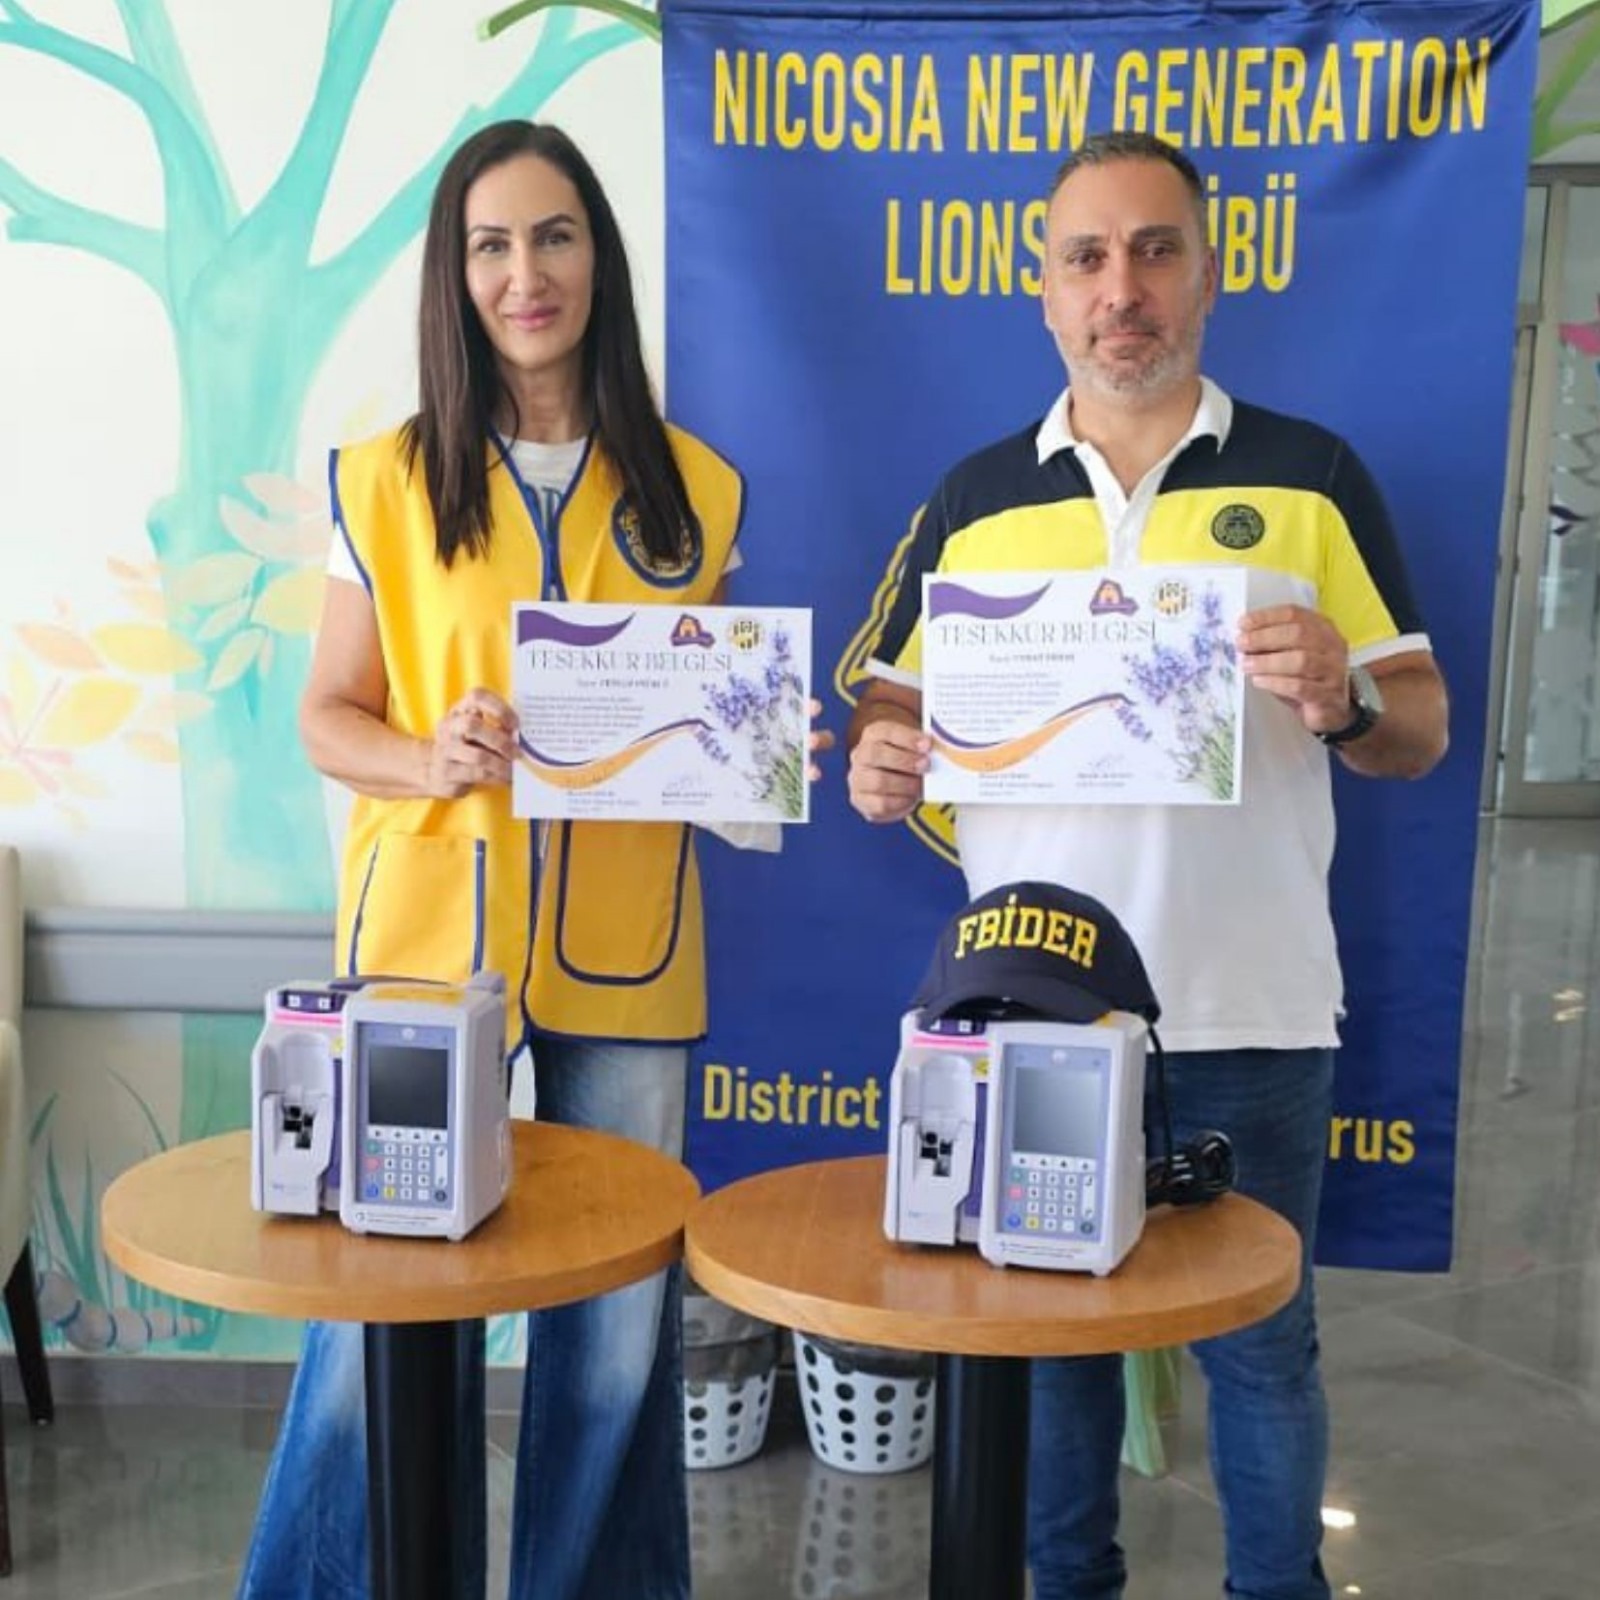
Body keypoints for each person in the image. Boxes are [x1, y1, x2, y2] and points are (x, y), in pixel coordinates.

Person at [846, 130, 1449, 1600]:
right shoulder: (976, 497)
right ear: (1046, 290)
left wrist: (1345, 699)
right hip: (1031, 1015)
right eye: (1088, 258)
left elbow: (1420, 729)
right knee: (1052, 1351)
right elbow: (892, 704)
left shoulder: (1312, 477)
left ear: (1209, 272)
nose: (1122, 288)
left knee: (1264, 1350)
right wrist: (880, 758)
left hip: (1249, 1008)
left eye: (1155, 250)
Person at [239, 120, 825, 1600]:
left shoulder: (695, 490)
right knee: (377, 1318)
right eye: (490, 245)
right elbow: (326, 717)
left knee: (617, 1337)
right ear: (456, 276)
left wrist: (762, 744)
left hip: (630, 950)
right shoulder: (384, 482)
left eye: (554, 235)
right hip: (424, 950)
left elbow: (711, 742)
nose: (525, 274)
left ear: (598, 258)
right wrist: (428, 756)